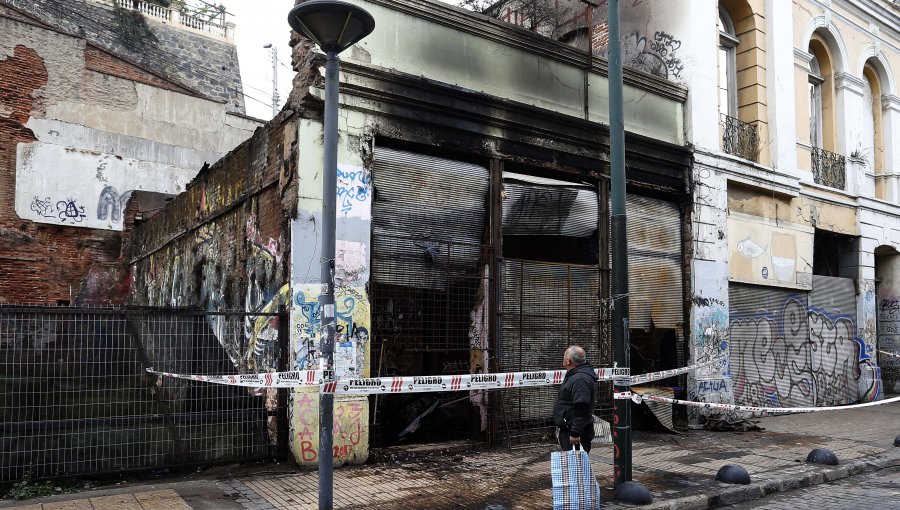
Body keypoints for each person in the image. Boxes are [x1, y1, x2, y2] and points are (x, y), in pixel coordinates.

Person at [553, 345, 599, 452]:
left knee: (577, 466)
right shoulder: (575, 375)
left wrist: (575, 433)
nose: (563, 358)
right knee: (575, 465)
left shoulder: (580, 379)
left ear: (568, 361)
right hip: (571, 428)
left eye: (564, 356)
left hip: (576, 432)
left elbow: (582, 408)